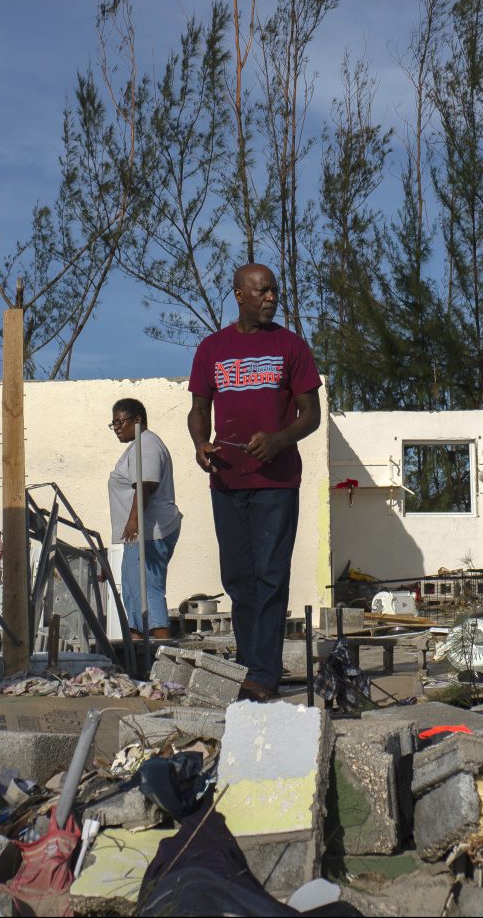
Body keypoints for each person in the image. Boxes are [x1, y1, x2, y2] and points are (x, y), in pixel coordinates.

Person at [188, 263, 321, 700]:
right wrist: (199, 442)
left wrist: (280, 440)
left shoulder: (291, 346)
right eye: (262, 291)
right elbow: (198, 409)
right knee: (239, 578)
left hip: (276, 483)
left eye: (274, 291)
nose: (271, 298)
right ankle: (249, 667)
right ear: (239, 294)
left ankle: (263, 674)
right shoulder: (211, 349)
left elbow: (311, 414)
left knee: (270, 575)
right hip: (227, 481)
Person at [108, 398, 182, 640]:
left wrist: (133, 521)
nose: (117, 427)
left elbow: (145, 484)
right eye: (113, 423)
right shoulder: (137, 446)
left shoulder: (147, 444)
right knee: (133, 593)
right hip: (139, 534)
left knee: (149, 591)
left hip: (148, 532)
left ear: (137, 420)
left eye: (121, 421)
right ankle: (137, 658)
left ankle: (162, 656)